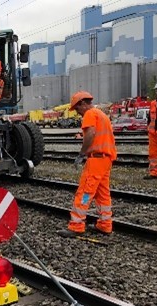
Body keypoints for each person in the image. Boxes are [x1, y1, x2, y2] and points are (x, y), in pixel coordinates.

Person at [57, 91, 117, 238]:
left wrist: (82, 153)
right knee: (102, 193)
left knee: (85, 192)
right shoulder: (101, 114)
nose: (78, 113)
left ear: (83, 103)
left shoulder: (90, 114)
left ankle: (76, 225)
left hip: (96, 159)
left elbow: (90, 134)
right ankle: (105, 224)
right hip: (106, 159)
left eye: (77, 109)